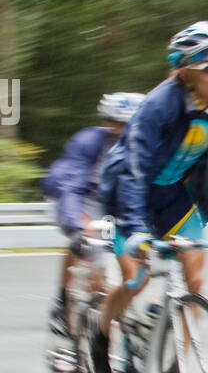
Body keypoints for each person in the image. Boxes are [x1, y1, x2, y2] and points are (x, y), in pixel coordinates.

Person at [90, 21, 208, 373]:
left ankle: (176, 371)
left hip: (173, 197)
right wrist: (133, 229)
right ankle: (99, 338)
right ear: (186, 70)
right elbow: (133, 170)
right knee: (136, 280)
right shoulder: (158, 105)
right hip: (128, 196)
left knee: (195, 277)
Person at [41, 92, 144, 335]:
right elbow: (72, 189)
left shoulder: (148, 145)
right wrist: (76, 227)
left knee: (132, 262)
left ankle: (115, 312)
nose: (123, 131)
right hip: (80, 194)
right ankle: (64, 300)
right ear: (108, 123)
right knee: (89, 245)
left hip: (116, 200)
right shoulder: (88, 141)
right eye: (117, 124)